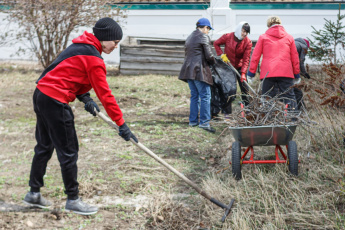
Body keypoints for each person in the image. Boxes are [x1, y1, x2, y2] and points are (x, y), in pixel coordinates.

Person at [23, 17, 138, 215]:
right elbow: (106, 94)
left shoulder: (80, 46)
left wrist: (85, 98)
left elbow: (67, 72)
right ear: (105, 37)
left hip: (41, 94)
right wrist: (121, 124)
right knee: (69, 151)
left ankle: (34, 194)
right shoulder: (93, 58)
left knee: (44, 146)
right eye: (115, 42)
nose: (115, 46)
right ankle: (73, 199)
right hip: (55, 100)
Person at [247, 16, 300, 109]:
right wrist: (297, 74)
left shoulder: (263, 37)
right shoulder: (289, 38)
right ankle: (293, 119)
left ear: (268, 25)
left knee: (267, 97)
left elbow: (255, 56)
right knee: (289, 96)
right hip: (286, 72)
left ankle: (269, 118)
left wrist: (251, 73)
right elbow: (295, 58)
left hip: (268, 73)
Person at [178, 18, 216, 133]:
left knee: (194, 96)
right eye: (208, 29)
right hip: (199, 71)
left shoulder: (190, 37)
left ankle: (193, 121)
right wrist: (215, 62)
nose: (208, 31)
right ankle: (204, 123)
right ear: (205, 27)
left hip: (188, 70)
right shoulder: (203, 36)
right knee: (205, 96)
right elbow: (209, 55)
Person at [213, 21, 252, 115]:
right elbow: (216, 43)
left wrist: (243, 73)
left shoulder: (247, 42)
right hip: (228, 66)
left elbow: (246, 59)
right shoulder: (228, 36)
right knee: (229, 89)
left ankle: (247, 111)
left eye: (246, 32)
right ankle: (227, 112)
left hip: (239, 67)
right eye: (243, 31)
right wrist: (221, 55)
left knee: (245, 89)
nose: (244, 34)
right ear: (239, 29)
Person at [294, 37, 311, 109]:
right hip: (291, 71)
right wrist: (305, 73)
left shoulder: (293, 43)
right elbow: (301, 61)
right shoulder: (304, 47)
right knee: (297, 89)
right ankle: (299, 108)